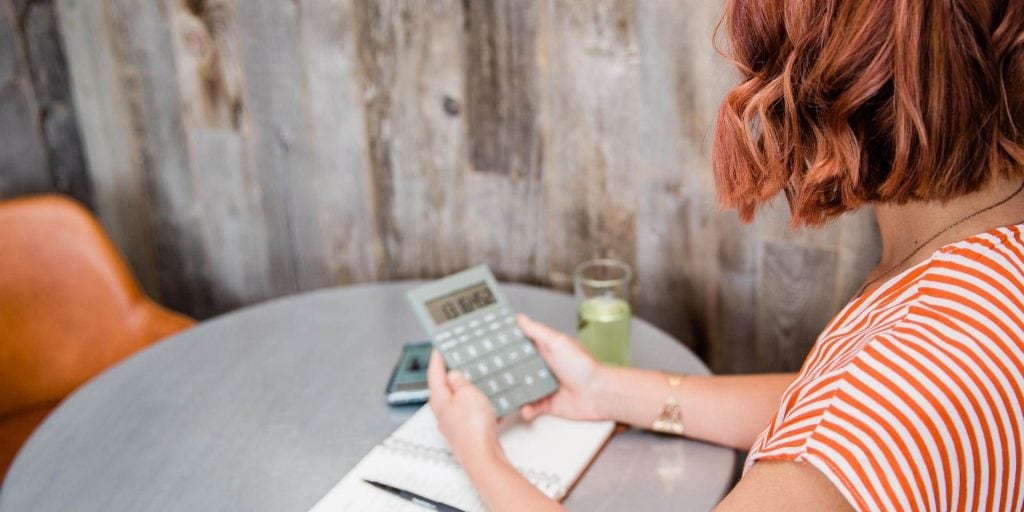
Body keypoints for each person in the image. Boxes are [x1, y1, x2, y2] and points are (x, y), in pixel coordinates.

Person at [427, 0, 1024, 510]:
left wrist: (481, 455)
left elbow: (854, 422)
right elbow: (831, 414)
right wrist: (609, 390)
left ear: (845, 72)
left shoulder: (906, 377)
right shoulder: (983, 273)